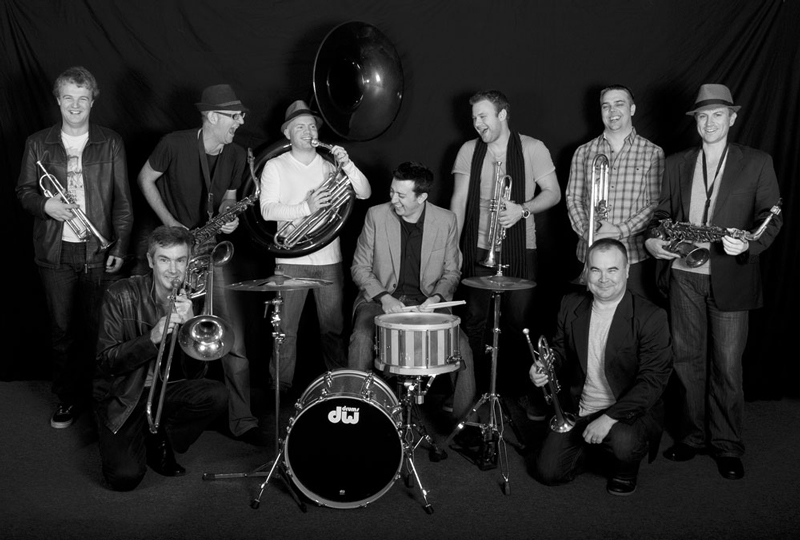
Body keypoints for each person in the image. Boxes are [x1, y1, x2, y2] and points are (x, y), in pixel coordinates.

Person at [645, 84, 782, 480]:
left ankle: (727, 444)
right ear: (696, 121)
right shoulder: (676, 162)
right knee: (686, 361)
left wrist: (750, 244)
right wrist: (653, 240)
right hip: (683, 276)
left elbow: (771, 216)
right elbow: (661, 214)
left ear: (732, 118)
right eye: (703, 116)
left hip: (731, 276)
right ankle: (692, 437)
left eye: (718, 115)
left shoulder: (757, 162)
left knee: (727, 366)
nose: (709, 122)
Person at [137, 84, 264, 445]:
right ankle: (145, 413)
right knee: (160, 332)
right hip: (175, 254)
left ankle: (242, 419)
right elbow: (145, 179)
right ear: (210, 116)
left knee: (231, 335)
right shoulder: (173, 143)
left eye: (241, 115)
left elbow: (229, 199)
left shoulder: (236, 154)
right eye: (233, 116)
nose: (240, 122)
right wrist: (170, 225)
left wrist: (229, 217)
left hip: (210, 251)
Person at [16, 66, 133, 429]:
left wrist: (120, 245)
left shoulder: (110, 142)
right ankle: (67, 398)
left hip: (97, 250)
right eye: (68, 97)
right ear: (58, 100)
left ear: (93, 101)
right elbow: (24, 191)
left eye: (83, 98)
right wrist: (45, 205)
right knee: (62, 332)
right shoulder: (38, 142)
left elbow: (123, 201)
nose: (75, 105)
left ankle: (101, 399)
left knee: (101, 330)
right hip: (55, 250)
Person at [529, 239, 672, 496]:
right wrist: (544, 366)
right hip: (581, 407)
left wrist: (608, 419)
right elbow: (560, 351)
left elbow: (653, 381)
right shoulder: (570, 304)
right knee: (547, 473)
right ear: (587, 272)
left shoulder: (651, 316)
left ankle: (624, 469)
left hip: (626, 411)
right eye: (596, 270)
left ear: (627, 271)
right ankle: (592, 447)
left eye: (612, 270)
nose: (603, 279)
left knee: (624, 442)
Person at [450, 90, 561, 419]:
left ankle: (522, 392)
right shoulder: (468, 150)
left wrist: (522, 209)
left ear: (502, 115)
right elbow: (458, 201)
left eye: (483, 116)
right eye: (474, 118)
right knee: (473, 322)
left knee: (519, 324)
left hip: (520, 248)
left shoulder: (532, 148)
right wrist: (453, 247)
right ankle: (468, 391)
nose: (477, 123)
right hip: (477, 247)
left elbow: (553, 193)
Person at [94, 226, 228, 491]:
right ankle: (142, 433)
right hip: (124, 395)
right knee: (124, 478)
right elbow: (106, 361)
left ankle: (158, 435)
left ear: (189, 262)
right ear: (150, 261)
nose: (173, 270)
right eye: (164, 260)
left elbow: (195, 375)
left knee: (216, 395)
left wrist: (190, 327)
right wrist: (152, 337)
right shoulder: (120, 293)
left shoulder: (193, 300)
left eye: (180, 260)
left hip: (165, 390)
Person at [260, 100, 371, 394]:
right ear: (287, 133)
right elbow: (267, 210)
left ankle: (341, 389)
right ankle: (279, 391)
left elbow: (364, 192)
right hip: (290, 261)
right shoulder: (275, 166)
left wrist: (347, 163)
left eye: (311, 126)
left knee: (333, 330)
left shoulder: (330, 166)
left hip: (328, 260)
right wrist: (306, 208)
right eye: (300, 127)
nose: (308, 131)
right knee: (285, 331)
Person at [349, 162, 475, 419]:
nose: (393, 199)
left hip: (427, 302)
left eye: (401, 195)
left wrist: (436, 298)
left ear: (422, 197)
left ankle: (466, 422)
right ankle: (357, 415)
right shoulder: (376, 215)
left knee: (461, 346)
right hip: (380, 299)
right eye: (392, 192)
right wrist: (384, 297)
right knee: (361, 337)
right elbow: (359, 267)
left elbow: (452, 272)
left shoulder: (446, 220)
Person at [566, 85, 665, 302]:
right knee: (587, 317)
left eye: (619, 104)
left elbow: (654, 204)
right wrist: (588, 232)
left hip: (633, 257)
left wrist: (619, 231)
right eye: (606, 106)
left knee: (634, 318)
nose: (612, 111)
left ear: (632, 109)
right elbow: (573, 198)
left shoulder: (653, 153)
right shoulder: (583, 152)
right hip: (589, 255)